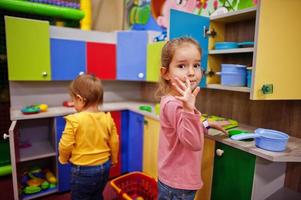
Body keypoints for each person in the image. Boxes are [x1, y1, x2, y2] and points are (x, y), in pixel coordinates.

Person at [156, 37, 227, 199]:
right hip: (177, 185)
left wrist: (206, 124)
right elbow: (193, 143)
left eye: (196, 65)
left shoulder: (175, 100)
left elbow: (183, 133)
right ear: (165, 73)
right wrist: (189, 108)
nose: (191, 72)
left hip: (174, 181)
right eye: (182, 66)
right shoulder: (175, 104)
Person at [58, 74, 119, 200]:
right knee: (97, 195)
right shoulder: (107, 118)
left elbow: (65, 145)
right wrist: (114, 159)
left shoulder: (74, 120)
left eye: (73, 100)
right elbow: (114, 141)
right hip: (104, 168)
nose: (73, 103)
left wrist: (63, 159)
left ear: (80, 99)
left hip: (83, 171)